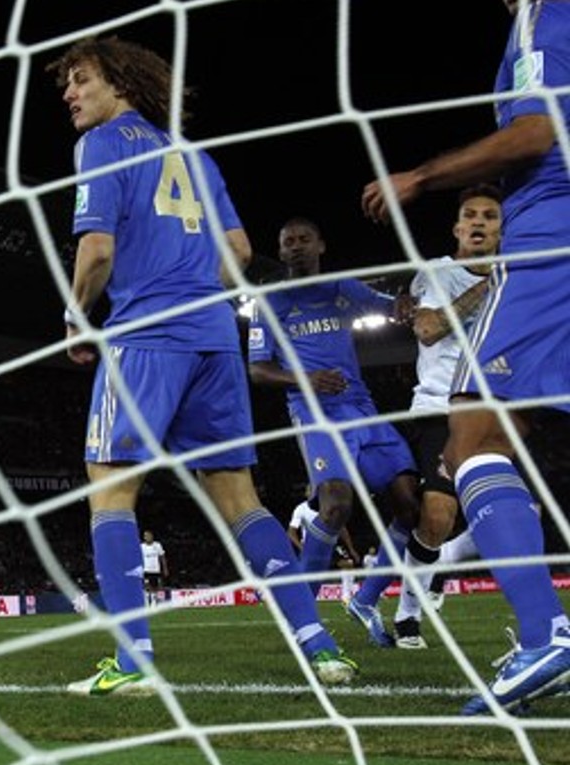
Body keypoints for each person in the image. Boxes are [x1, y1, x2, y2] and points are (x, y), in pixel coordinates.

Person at [47, 35, 357, 697]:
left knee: (110, 486)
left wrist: (76, 315)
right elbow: (239, 250)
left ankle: (134, 660)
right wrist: (191, 294)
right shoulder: (196, 155)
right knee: (240, 498)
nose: (69, 93)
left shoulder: (102, 144)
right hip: (215, 337)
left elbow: (97, 250)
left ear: (120, 83)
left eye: (81, 79)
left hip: (145, 335)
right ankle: (322, 647)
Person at [360, 0, 570, 714]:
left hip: (550, 246)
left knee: (474, 439)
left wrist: (422, 177)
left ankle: (546, 635)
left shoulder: (545, 14)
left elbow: (536, 133)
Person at [247, 217, 421, 649]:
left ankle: (365, 600)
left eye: (304, 239)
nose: (296, 246)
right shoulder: (269, 302)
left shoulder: (344, 288)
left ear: (321, 245)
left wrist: (402, 302)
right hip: (314, 411)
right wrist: (306, 379)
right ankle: (302, 617)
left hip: (362, 408)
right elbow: (258, 370)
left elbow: (390, 307)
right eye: (288, 242)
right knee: (337, 504)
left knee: (409, 507)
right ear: (281, 252)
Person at [391, 184, 503, 650]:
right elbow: (429, 328)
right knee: (437, 514)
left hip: (499, 410)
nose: (478, 222)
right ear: (457, 228)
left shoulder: (519, 279)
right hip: (442, 406)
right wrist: (492, 284)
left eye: (490, 216)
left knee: (515, 514)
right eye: (470, 215)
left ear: (502, 231)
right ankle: (408, 612)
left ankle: (440, 566)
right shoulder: (438, 272)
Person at [287, 495, 360, 602]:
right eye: (310, 490)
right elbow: (291, 532)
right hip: (311, 547)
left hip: (330, 543)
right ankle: (300, 600)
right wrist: (302, 548)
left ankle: (346, 598)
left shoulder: (330, 506)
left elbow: (342, 528)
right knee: (307, 576)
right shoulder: (301, 509)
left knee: (348, 564)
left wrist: (351, 548)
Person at [139, 530, 169, 606]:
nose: (147, 537)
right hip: (146, 569)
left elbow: (162, 557)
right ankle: (147, 601)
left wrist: (165, 568)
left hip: (155, 569)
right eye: (145, 536)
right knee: (146, 586)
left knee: (156, 586)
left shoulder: (157, 545)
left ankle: (154, 601)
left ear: (152, 536)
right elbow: (138, 558)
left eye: (149, 535)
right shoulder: (141, 546)